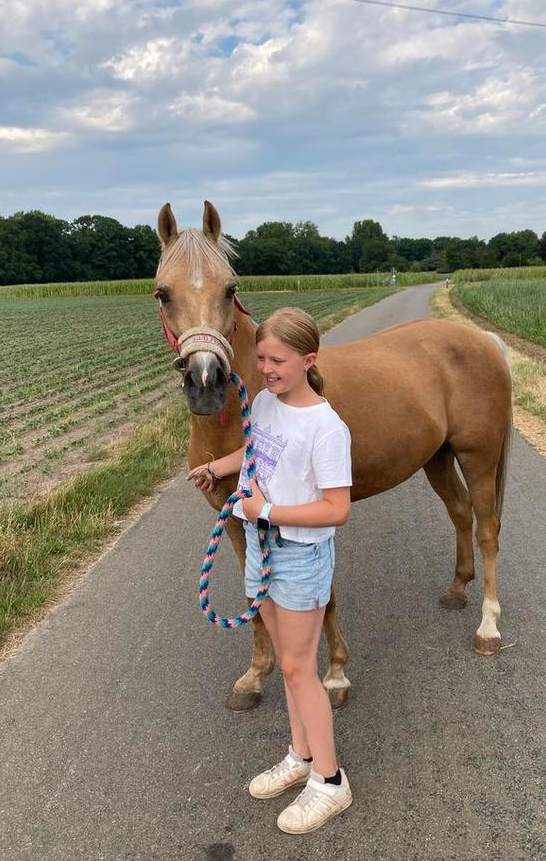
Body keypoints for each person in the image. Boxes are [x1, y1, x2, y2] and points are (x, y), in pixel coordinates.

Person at [187, 307, 353, 835]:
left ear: (309, 359)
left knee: (302, 668)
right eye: (259, 358)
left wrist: (268, 512)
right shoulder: (262, 402)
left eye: (277, 360)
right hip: (263, 547)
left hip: (299, 554)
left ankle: (330, 780)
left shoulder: (327, 428)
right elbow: (255, 448)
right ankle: (300, 754)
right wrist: (218, 467)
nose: (266, 368)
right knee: (287, 663)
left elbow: (337, 508)